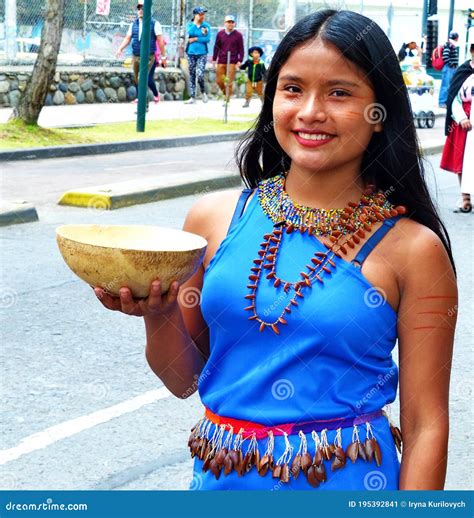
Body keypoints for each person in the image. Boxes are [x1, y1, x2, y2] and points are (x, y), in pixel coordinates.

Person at [94, 10, 457, 490]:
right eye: (292, 89)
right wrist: (155, 312)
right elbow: (182, 380)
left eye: (339, 93)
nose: (310, 112)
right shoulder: (214, 220)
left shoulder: (414, 250)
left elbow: (426, 425)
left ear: (379, 115)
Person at [440, 43, 474, 212]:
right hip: (465, 123)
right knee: (463, 161)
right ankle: (465, 198)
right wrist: (461, 118)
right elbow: (454, 98)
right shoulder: (463, 71)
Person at [116, 1, 167, 106]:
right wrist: (120, 48)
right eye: (138, 8)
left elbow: (160, 41)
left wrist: (163, 57)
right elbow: (128, 38)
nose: (140, 10)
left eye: (142, 8)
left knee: (143, 78)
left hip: (149, 57)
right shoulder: (133, 24)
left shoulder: (155, 24)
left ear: (148, 9)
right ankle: (142, 99)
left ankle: (144, 105)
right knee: (137, 79)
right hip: (136, 55)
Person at [212, 15, 245, 103]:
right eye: (228, 22)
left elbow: (241, 49)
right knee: (219, 80)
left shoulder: (238, 35)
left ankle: (227, 100)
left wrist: (240, 60)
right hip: (221, 60)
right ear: (225, 23)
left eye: (232, 22)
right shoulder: (220, 34)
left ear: (234, 24)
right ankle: (225, 93)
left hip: (232, 61)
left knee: (229, 81)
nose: (230, 24)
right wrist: (214, 59)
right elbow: (216, 47)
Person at [184, 6, 211, 104]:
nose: (202, 16)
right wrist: (195, 23)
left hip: (202, 53)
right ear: (195, 15)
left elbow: (207, 39)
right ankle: (192, 97)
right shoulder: (190, 25)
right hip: (191, 53)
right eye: (200, 14)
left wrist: (195, 39)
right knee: (192, 74)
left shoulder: (206, 26)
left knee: (200, 74)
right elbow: (190, 32)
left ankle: (203, 92)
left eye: (203, 14)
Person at [439, 31, 460, 108]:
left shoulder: (451, 45)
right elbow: (445, 57)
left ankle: (446, 102)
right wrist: (452, 65)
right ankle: (442, 102)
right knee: (445, 85)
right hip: (449, 68)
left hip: (451, 68)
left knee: (449, 85)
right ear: (456, 38)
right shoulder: (449, 45)